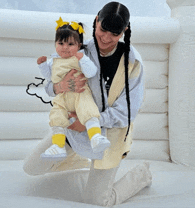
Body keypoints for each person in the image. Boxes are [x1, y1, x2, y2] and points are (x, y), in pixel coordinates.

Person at [23, 2, 152, 206]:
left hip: (108, 136)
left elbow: (128, 112)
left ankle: (142, 175)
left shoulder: (133, 63)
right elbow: (49, 86)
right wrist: (60, 86)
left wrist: (90, 122)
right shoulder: (77, 50)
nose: (106, 37)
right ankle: (81, 160)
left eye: (115, 33)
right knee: (31, 167)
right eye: (103, 29)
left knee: (97, 200)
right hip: (72, 129)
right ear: (96, 21)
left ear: (124, 31)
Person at [37, 17, 110, 160]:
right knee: (56, 116)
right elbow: (49, 77)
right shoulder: (53, 61)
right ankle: (58, 146)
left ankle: (95, 136)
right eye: (61, 43)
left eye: (70, 44)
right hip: (62, 98)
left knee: (88, 110)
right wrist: (43, 66)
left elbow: (91, 72)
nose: (65, 47)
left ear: (79, 45)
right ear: (55, 44)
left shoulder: (80, 58)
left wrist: (82, 59)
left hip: (80, 94)